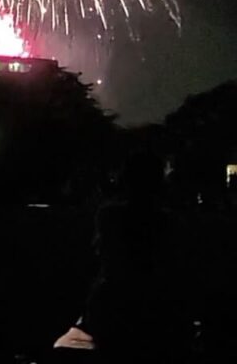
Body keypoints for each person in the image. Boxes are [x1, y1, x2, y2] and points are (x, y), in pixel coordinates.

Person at [55, 150, 194, 360]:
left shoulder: (110, 216)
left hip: (115, 306)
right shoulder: (170, 221)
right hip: (158, 309)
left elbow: (106, 259)